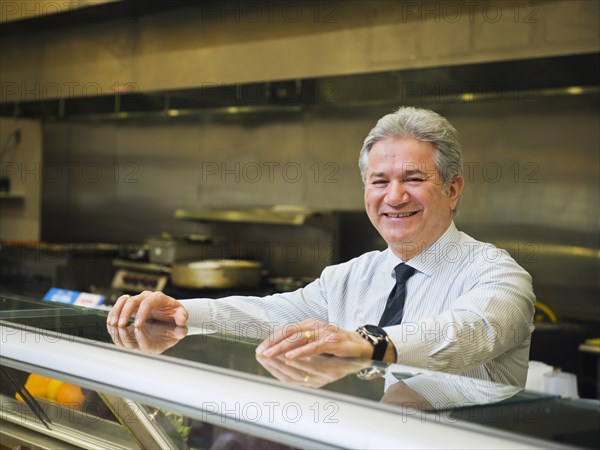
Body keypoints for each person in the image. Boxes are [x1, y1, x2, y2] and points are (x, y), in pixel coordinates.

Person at [107, 106, 535, 387]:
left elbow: (472, 330)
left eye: (414, 179)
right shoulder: (350, 276)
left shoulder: (496, 274)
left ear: (453, 189)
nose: (395, 196)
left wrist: (370, 344)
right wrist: (183, 311)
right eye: (380, 181)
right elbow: (270, 314)